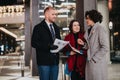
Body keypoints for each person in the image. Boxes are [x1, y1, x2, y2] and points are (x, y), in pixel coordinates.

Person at [78, 10, 109, 80]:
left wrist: (94, 59)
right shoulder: (89, 30)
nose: (86, 20)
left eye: (88, 18)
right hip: (90, 62)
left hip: (97, 63)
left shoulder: (100, 29)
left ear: (93, 18)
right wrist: (83, 44)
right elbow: (91, 46)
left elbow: (105, 47)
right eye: (86, 18)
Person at [31, 6, 61, 80]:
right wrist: (48, 46)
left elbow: (58, 41)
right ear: (46, 15)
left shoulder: (56, 28)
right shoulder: (38, 27)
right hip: (44, 62)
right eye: (53, 14)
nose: (55, 16)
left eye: (56, 14)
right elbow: (34, 43)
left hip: (55, 62)